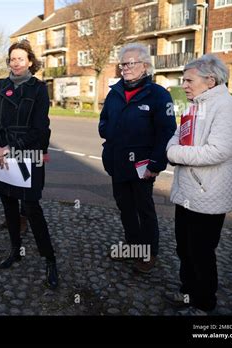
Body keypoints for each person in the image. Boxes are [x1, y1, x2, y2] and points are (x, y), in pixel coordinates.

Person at [165, 54, 232, 315]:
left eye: (189, 80)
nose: (184, 85)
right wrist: (173, 149)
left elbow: (219, 151)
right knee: (184, 249)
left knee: (201, 253)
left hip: (209, 195)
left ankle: (204, 303)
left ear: (210, 80)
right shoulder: (194, 106)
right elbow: (175, 138)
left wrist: (175, 154)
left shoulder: (228, 107)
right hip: (187, 193)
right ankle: (188, 293)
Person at [0, 40, 58, 289]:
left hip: (27, 152)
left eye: (21, 58)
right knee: (8, 203)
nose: (16, 62)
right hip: (0, 152)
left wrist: (9, 148)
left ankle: (50, 259)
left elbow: (40, 129)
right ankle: (15, 249)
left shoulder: (38, 88)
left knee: (31, 207)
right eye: (12, 58)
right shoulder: (1, 87)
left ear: (30, 61)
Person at [99, 43, 176, 273]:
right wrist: (108, 132)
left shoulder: (158, 94)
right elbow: (103, 121)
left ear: (145, 66)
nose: (125, 68)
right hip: (117, 162)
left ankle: (149, 252)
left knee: (144, 208)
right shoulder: (114, 92)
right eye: (123, 63)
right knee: (125, 207)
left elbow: (167, 132)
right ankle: (133, 247)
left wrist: (156, 163)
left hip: (143, 166)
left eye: (130, 63)